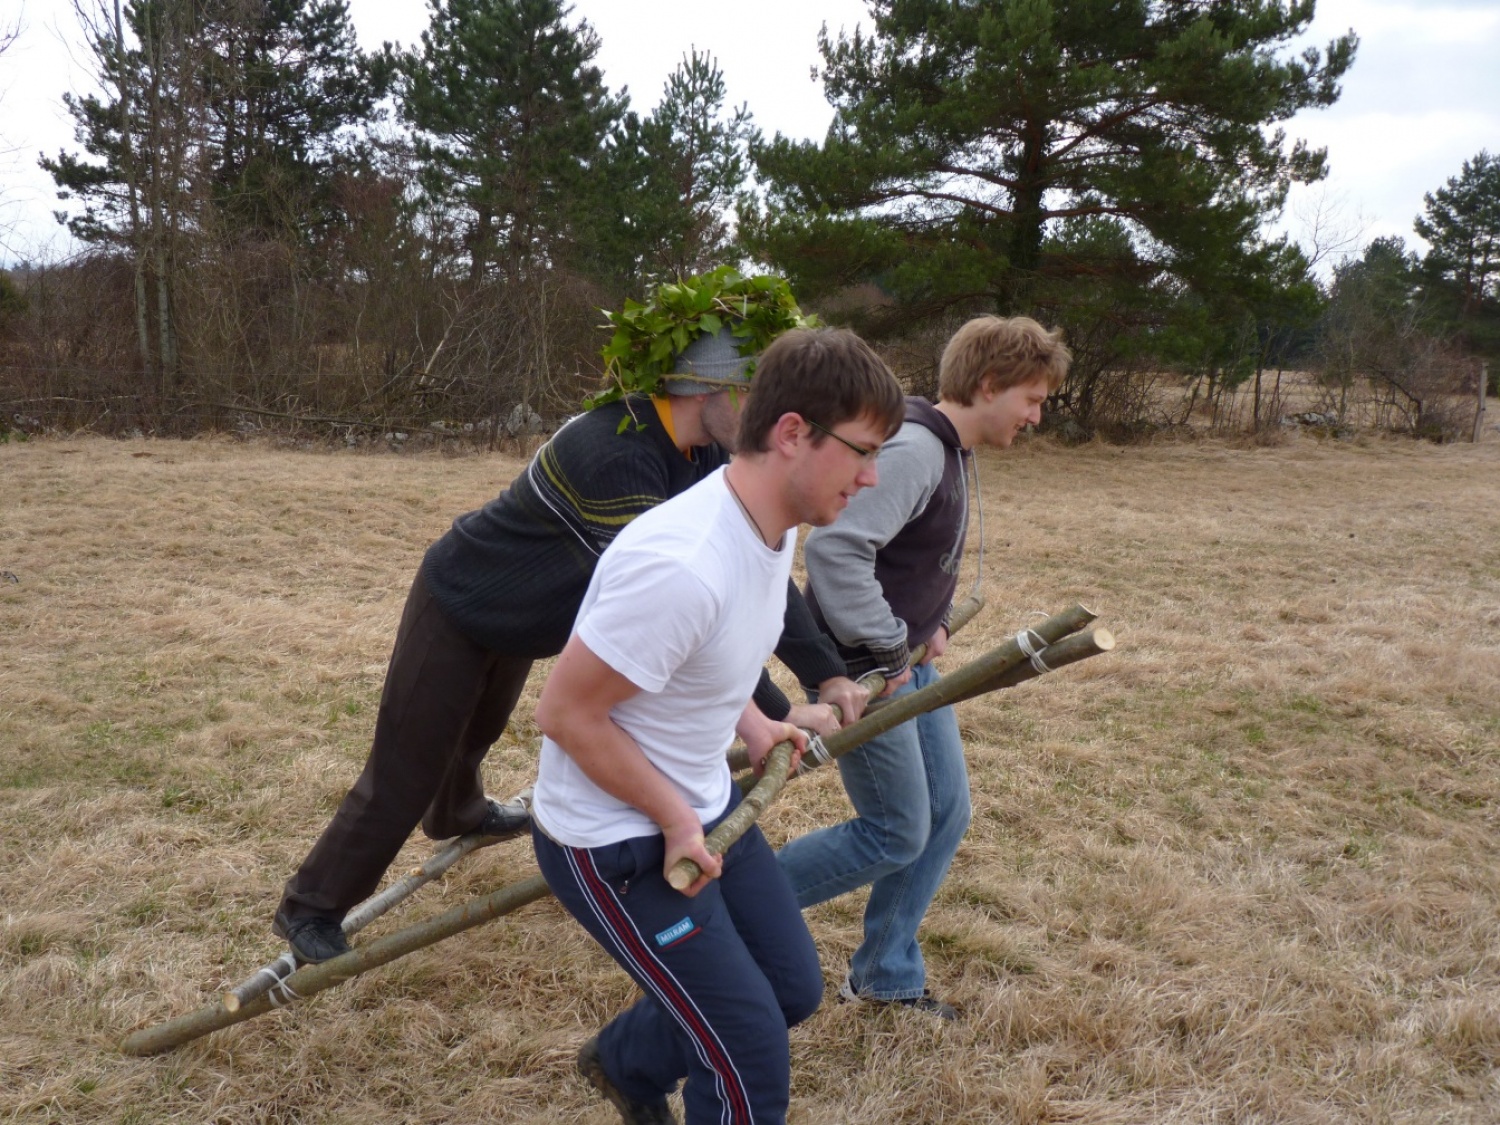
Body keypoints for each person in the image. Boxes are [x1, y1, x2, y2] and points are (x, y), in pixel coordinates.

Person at [272, 292, 870, 966]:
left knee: (476, 732)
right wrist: (773, 708)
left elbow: (754, 583)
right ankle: (310, 906)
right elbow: (701, 613)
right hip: (464, 601)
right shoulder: (614, 451)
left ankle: (457, 812)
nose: (761, 416)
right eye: (750, 393)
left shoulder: (705, 457)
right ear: (705, 388)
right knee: (406, 768)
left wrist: (826, 670)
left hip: (529, 620)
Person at [530, 328, 905, 1125]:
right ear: (793, 433)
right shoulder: (681, 562)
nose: (873, 476)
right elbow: (565, 713)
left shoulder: (772, 521)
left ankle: (626, 1062)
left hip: (701, 805)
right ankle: (661, 1062)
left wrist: (757, 720)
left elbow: (707, 649)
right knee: (748, 1051)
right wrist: (671, 818)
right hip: (614, 841)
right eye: (862, 451)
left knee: (789, 989)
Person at [776, 315, 1071, 1019]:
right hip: (861, 672)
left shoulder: (951, 450)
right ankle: (732, 902)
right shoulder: (914, 450)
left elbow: (902, 554)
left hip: (900, 660)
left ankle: (885, 973)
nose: (1036, 416)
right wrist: (885, 641)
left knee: (945, 813)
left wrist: (927, 625)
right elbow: (836, 550)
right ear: (988, 383)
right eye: (1031, 398)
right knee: (896, 827)